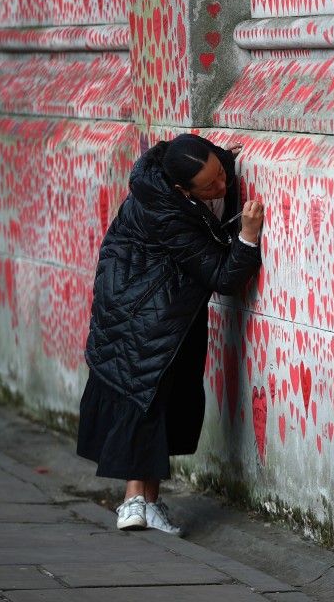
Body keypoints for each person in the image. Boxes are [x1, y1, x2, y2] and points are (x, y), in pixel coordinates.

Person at [77, 133, 264, 536]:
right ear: (183, 190)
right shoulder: (168, 212)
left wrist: (222, 165)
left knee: (155, 398)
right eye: (210, 184)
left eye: (220, 173)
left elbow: (213, 172)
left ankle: (145, 502)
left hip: (153, 306)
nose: (221, 187)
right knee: (145, 396)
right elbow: (221, 276)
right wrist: (248, 236)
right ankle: (134, 502)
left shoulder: (169, 177)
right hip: (143, 314)